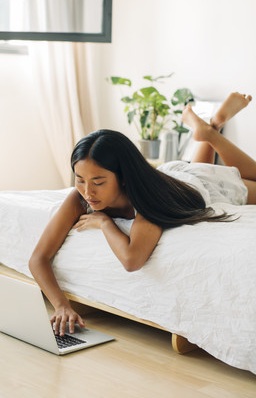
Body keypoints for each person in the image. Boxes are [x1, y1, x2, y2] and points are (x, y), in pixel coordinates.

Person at [29, 92, 255, 336]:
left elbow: (131, 260)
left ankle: (210, 132)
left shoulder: (147, 202)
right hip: (176, 176)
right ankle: (211, 128)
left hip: (203, 186)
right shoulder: (79, 197)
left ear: (124, 178)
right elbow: (38, 258)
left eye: (98, 181)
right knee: (195, 169)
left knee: (216, 174)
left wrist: (105, 223)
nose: (87, 192)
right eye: (79, 179)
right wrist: (61, 305)